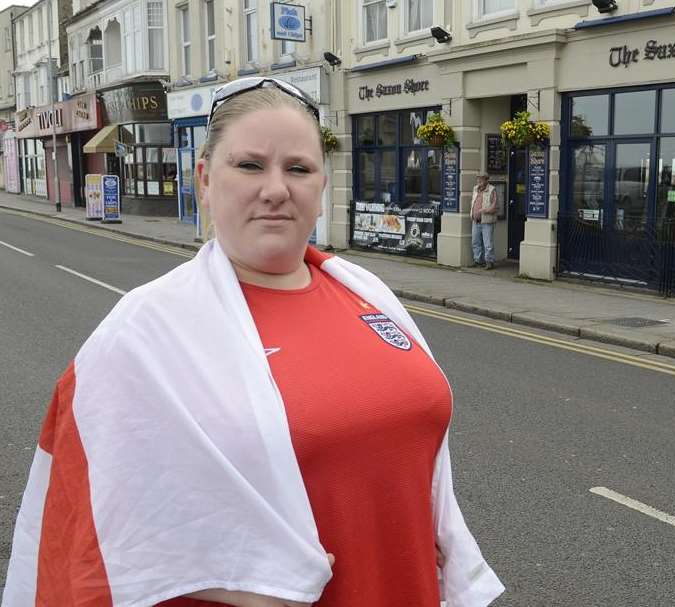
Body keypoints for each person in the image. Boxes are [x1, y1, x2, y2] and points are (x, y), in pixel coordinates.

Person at [1, 77, 504, 607]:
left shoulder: (369, 293)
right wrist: (229, 576)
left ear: (321, 184)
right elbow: (88, 524)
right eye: (249, 165)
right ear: (205, 179)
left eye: (298, 169)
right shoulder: (144, 330)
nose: (275, 189)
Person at [470, 174, 498, 270]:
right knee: (475, 242)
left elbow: (495, 207)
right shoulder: (475, 189)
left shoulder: (492, 190)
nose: (479, 182)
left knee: (488, 243)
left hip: (486, 221)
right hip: (475, 221)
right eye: (478, 180)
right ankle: (478, 260)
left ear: (486, 180)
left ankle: (489, 262)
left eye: (481, 180)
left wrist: (484, 210)